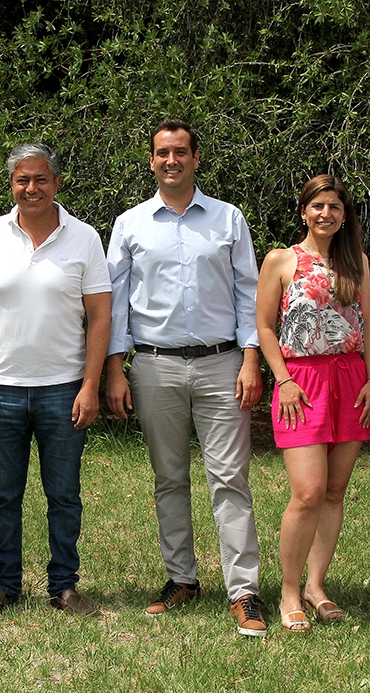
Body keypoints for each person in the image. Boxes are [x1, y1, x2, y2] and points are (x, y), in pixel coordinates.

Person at [106, 119, 266, 637]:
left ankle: (244, 592)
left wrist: (250, 359)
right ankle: (182, 579)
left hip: (223, 364)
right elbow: (114, 303)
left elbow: (250, 293)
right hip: (154, 366)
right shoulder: (130, 225)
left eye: (180, 152)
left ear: (197, 158)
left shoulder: (228, 219)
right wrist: (116, 368)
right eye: (161, 153)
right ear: (151, 160)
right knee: (169, 477)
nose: (170, 160)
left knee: (229, 480)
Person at [0, 142, 110, 617]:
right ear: (11, 185)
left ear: (57, 182)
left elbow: (100, 318)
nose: (32, 188)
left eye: (41, 179)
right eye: (22, 180)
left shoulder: (83, 237)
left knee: (63, 493)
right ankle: (5, 584)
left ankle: (63, 585)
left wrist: (91, 386)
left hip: (64, 388)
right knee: (4, 493)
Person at [255, 175, 370, 632]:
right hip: (301, 382)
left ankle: (316, 586)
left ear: (345, 215)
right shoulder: (281, 261)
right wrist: (282, 379)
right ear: (304, 211)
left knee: (333, 491)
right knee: (307, 492)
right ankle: (289, 590)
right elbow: (265, 327)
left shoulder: (357, 261)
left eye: (335, 207)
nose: (326, 214)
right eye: (318, 206)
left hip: (350, 379)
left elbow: (366, 323)